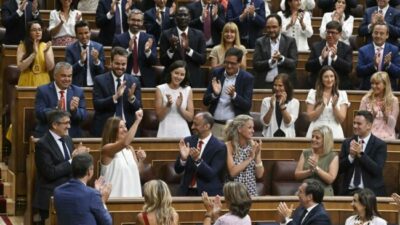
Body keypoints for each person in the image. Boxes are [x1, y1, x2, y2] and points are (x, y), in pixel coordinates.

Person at [34, 109, 89, 224]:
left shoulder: (68, 139)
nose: (69, 126)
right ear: (54, 125)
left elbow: (73, 166)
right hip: (51, 196)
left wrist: (81, 158)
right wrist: (72, 161)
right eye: (66, 123)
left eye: (69, 122)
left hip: (71, 194)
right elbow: (50, 172)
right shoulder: (42, 144)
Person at [203, 47, 254, 139]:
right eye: (227, 62)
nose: (229, 66)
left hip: (234, 127)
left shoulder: (247, 78)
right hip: (215, 124)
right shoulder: (216, 73)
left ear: (239, 63)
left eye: (233, 63)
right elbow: (205, 101)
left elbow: (247, 105)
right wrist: (215, 94)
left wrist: (234, 95)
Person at [92, 47, 142, 137]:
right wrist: (115, 97)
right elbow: (97, 105)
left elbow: (138, 106)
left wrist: (131, 98)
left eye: (123, 64)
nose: (120, 67)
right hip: (106, 128)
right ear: (111, 63)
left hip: (128, 127)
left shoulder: (134, 81)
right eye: (117, 63)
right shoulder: (99, 80)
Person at [174, 112, 227, 196]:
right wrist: (183, 159)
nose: (192, 127)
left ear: (207, 126)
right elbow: (177, 170)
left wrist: (197, 160)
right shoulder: (188, 141)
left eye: (196, 124)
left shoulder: (220, 147)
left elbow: (211, 174)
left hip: (208, 194)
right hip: (186, 192)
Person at [54, 153, 113, 225]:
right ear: (89, 171)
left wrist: (96, 193)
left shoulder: (58, 191)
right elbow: (107, 222)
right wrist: (102, 201)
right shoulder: (92, 195)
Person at [338, 110, 387, 196]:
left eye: (359, 124)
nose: (355, 126)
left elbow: (377, 170)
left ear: (369, 125)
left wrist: (361, 154)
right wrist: (351, 157)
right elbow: (339, 169)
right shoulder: (347, 142)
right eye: (354, 123)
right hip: (348, 192)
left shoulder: (379, 145)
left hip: (370, 193)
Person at [100, 109, 146, 197]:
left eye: (125, 126)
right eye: (121, 127)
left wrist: (141, 160)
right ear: (112, 130)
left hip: (134, 199)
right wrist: (137, 121)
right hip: (115, 202)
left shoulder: (130, 149)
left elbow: (138, 172)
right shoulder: (107, 149)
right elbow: (125, 143)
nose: (125, 129)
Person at [34, 62, 87, 138]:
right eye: (63, 76)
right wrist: (56, 110)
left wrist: (74, 111)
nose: (67, 79)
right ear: (55, 76)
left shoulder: (78, 91)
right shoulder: (43, 90)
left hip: (71, 134)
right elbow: (39, 113)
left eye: (69, 76)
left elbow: (83, 115)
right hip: (48, 133)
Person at [159, 6, 207, 88]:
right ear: (175, 18)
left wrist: (188, 49)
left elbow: (203, 60)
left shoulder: (199, 35)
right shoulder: (166, 34)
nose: (183, 17)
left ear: (190, 17)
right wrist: (172, 50)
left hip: (193, 78)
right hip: (171, 79)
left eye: (185, 15)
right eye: (180, 15)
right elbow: (163, 61)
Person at [112, 9, 158, 87]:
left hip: (146, 80)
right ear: (128, 20)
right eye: (133, 20)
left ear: (142, 22)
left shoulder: (149, 38)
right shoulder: (119, 39)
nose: (136, 23)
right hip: (125, 78)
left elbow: (154, 61)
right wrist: (129, 50)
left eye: (138, 20)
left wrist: (147, 51)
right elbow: (114, 60)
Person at [253, 14, 298, 89]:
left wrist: (281, 59)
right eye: (268, 27)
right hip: (264, 85)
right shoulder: (260, 42)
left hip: (285, 86)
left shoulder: (290, 41)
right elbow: (256, 64)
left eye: (274, 27)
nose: (271, 30)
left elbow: (294, 63)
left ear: (280, 27)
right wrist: (270, 62)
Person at [305, 66, 350, 139]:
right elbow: (310, 117)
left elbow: (341, 119)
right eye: (326, 77)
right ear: (321, 79)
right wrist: (322, 106)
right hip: (316, 130)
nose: (329, 80)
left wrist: (334, 106)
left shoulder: (342, 94)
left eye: (332, 76)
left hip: (334, 132)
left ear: (335, 78)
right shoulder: (313, 93)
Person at [306, 21, 353, 89]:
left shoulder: (346, 48)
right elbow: (308, 67)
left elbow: (349, 69)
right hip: (318, 85)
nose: (330, 35)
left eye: (333, 33)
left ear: (339, 34)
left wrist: (335, 58)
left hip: (339, 85)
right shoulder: (316, 46)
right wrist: (321, 58)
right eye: (328, 32)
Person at [225, 115, 264, 196]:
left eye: (253, 128)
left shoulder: (253, 145)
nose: (253, 131)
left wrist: (257, 155)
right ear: (239, 129)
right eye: (249, 128)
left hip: (250, 192)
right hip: (234, 192)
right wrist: (250, 158)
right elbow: (233, 172)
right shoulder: (229, 146)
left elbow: (259, 174)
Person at [295, 125, 339, 196]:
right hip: (306, 190)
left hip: (323, 191)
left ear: (325, 140)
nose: (313, 139)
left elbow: (330, 179)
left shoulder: (333, 156)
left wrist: (316, 168)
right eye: (312, 137)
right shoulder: (305, 153)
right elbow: (297, 175)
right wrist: (309, 171)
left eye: (317, 138)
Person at [155, 60, 194, 138]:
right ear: (171, 72)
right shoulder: (160, 89)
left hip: (183, 131)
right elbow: (159, 117)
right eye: (176, 73)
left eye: (182, 74)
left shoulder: (188, 90)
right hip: (165, 130)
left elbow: (190, 118)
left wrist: (179, 108)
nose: (178, 77)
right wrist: (168, 105)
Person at [356, 22, 400, 91]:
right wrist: (373, 65)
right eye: (376, 33)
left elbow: (398, 73)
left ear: (387, 35)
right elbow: (359, 72)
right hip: (369, 89)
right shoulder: (363, 50)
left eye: (382, 33)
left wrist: (389, 65)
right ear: (372, 34)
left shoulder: (394, 50)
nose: (378, 36)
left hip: (388, 90)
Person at [65, 20, 106, 87]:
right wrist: (80, 62)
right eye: (80, 33)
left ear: (90, 32)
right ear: (76, 34)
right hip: (77, 86)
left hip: (95, 85)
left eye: (86, 33)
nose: (84, 36)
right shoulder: (70, 49)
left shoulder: (98, 47)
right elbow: (68, 71)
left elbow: (102, 71)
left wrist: (96, 61)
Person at [359, 72, 399, 140]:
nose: (374, 86)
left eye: (377, 83)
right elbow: (360, 121)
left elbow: (392, 125)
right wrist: (372, 116)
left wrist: (385, 114)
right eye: (372, 83)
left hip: (387, 136)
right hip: (369, 136)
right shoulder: (366, 99)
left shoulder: (393, 100)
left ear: (385, 85)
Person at [17, 21, 54, 87]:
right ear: (29, 33)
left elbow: (50, 68)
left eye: (39, 30)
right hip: (26, 80)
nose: (38, 32)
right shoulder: (22, 46)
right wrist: (34, 54)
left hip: (43, 80)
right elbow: (21, 67)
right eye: (34, 30)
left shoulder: (46, 46)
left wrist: (45, 52)